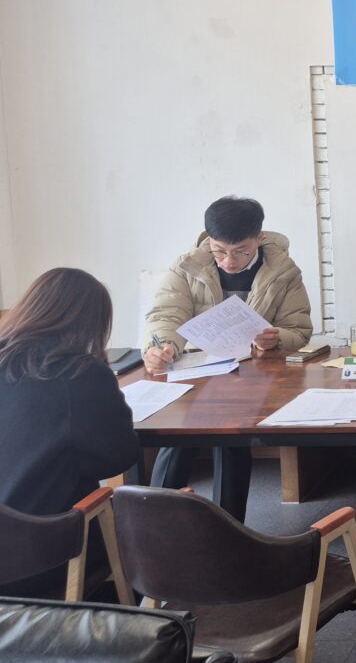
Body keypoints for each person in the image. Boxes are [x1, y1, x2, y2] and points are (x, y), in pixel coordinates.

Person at [142, 196, 312, 522]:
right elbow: (166, 315)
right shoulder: (187, 266)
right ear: (209, 240)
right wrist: (163, 347)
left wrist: (275, 337)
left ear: (259, 238)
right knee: (177, 434)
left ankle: (230, 529)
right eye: (219, 251)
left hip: (252, 375)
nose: (229, 261)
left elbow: (299, 330)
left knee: (233, 437)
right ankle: (152, 526)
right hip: (199, 370)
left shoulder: (283, 271)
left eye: (241, 252)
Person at [0, 268, 140, 598]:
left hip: (11, 550)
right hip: (40, 555)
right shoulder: (80, 373)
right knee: (136, 531)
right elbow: (119, 456)